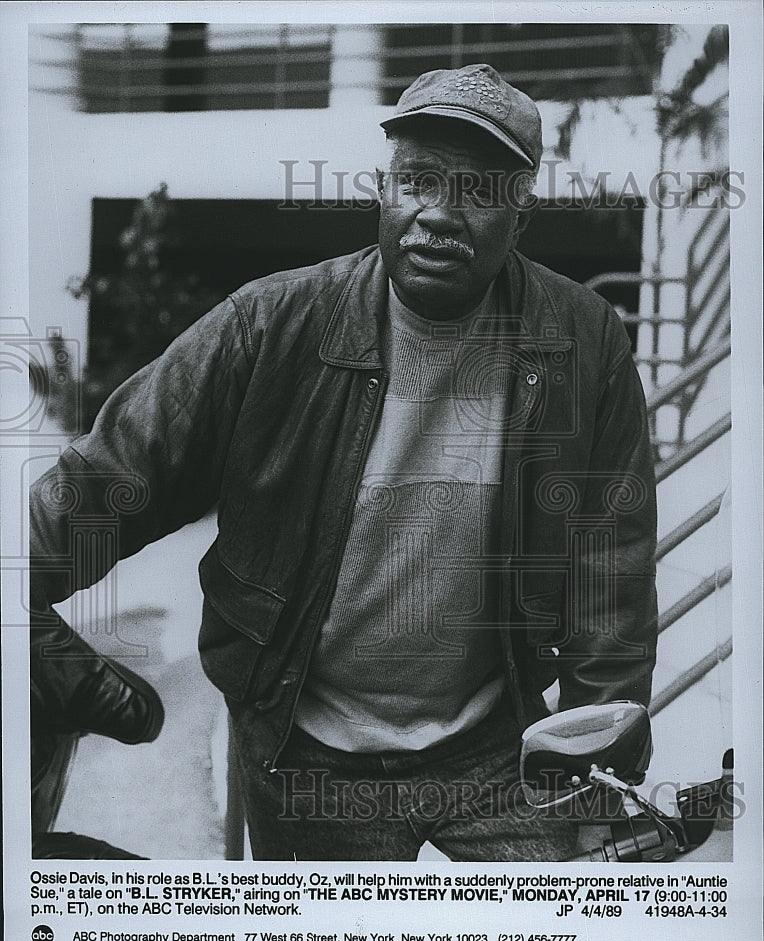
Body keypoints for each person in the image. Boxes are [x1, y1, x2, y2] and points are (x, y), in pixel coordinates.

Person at [30, 64, 658, 861]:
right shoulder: (270, 325)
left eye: (476, 190)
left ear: (521, 213)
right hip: (308, 740)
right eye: (418, 180)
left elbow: (611, 568)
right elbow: (112, 476)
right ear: (383, 187)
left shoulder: (583, 339)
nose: (437, 214)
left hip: (497, 742)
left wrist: (597, 769)